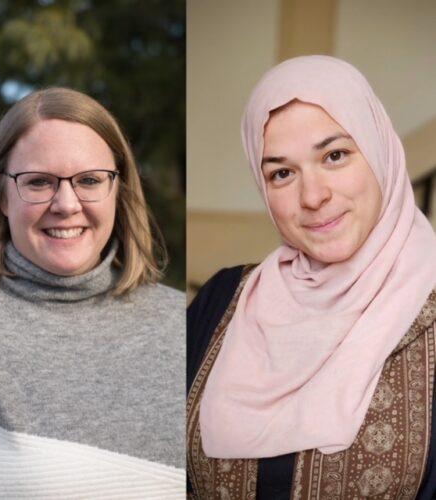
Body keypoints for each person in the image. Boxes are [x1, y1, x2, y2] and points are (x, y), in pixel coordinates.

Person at [187, 56, 436, 499]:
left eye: (335, 155)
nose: (314, 196)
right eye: (282, 173)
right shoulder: (220, 302)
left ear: (379, 151)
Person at [0, 87, 185, 498]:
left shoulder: (183, 325)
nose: (66, 204)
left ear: (119, 189)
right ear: (0, 194)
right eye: (38, 182)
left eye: (89, 180)